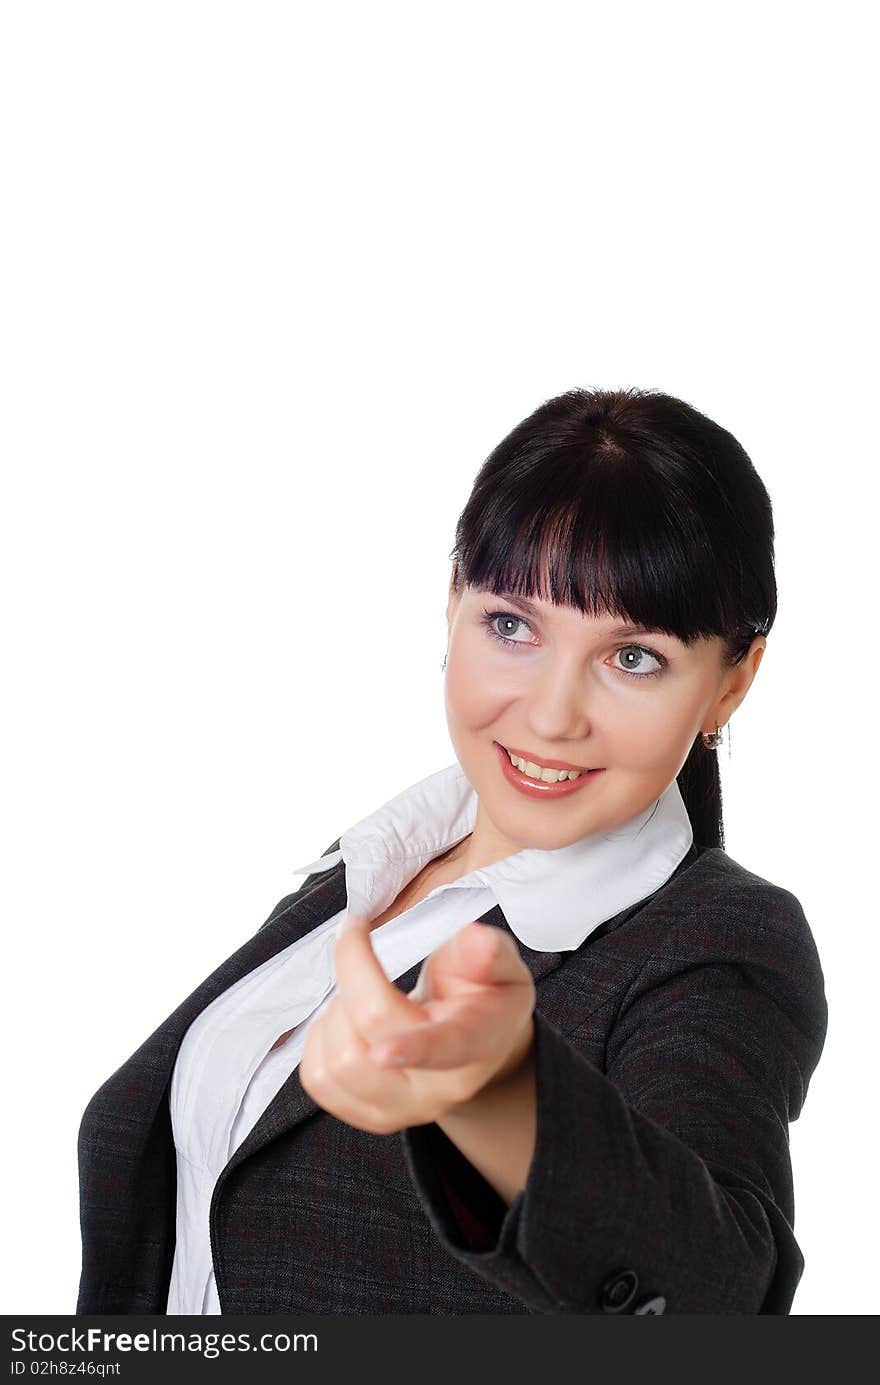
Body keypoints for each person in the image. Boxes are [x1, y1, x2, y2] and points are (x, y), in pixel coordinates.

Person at [76, 386, 828, 1316]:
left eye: (633, 657)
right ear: (452, 606)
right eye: (512, 625)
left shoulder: (717, 939)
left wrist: (499, 1094)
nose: (552, 715)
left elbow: (723, 1291)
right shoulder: (368, 869)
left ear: (732, 683)